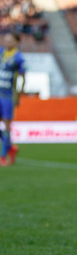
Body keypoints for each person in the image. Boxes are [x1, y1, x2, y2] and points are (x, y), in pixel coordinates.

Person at [0, 32, 26, 166]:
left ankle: (3, 157)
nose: (7, 42)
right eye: (5, 40)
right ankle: (11, 148)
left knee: (7, 126)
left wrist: (19, 95)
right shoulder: (1, 52)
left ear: (16, 42)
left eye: (10, 40)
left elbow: (22, 78)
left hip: (7, 96)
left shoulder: (19, 58)